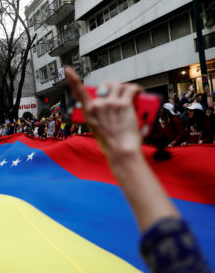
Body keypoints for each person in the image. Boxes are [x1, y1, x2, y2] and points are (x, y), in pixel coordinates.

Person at [65, 67, 210, 272]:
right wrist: (129, 159)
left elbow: (178, 260)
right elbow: (180, 260)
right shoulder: (162, 121)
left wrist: (128, 160)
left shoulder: (181, 120)